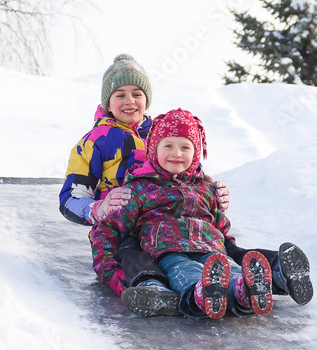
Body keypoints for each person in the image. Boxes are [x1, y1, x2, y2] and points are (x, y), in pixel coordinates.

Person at [59, 54, 313, 314]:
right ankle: (164, 290)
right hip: (123, 228)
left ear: (146, 98)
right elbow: (70, 198)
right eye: (120, 94)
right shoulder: (95, 140)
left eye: (136, 93)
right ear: (107, 101)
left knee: (228, 252)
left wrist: (212, 192)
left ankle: (274, 275)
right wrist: (98, 209)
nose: (129, 101)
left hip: (176, 225)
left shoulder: (161, 131)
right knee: (143, 259)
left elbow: (188, 168)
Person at [90, 108, 279, 319]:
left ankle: (244, 294)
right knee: (186, 270)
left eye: (185, 147)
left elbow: (221, 225)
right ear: (154, 149)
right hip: (168, 251)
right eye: (168, 146)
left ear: (196, 153)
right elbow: (110, 229)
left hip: (211, 248)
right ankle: (200, 294)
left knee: (230, 270)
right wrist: (110, 271)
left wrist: (228, 244)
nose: (176, 153)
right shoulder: (140, 189)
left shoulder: (205, 188)